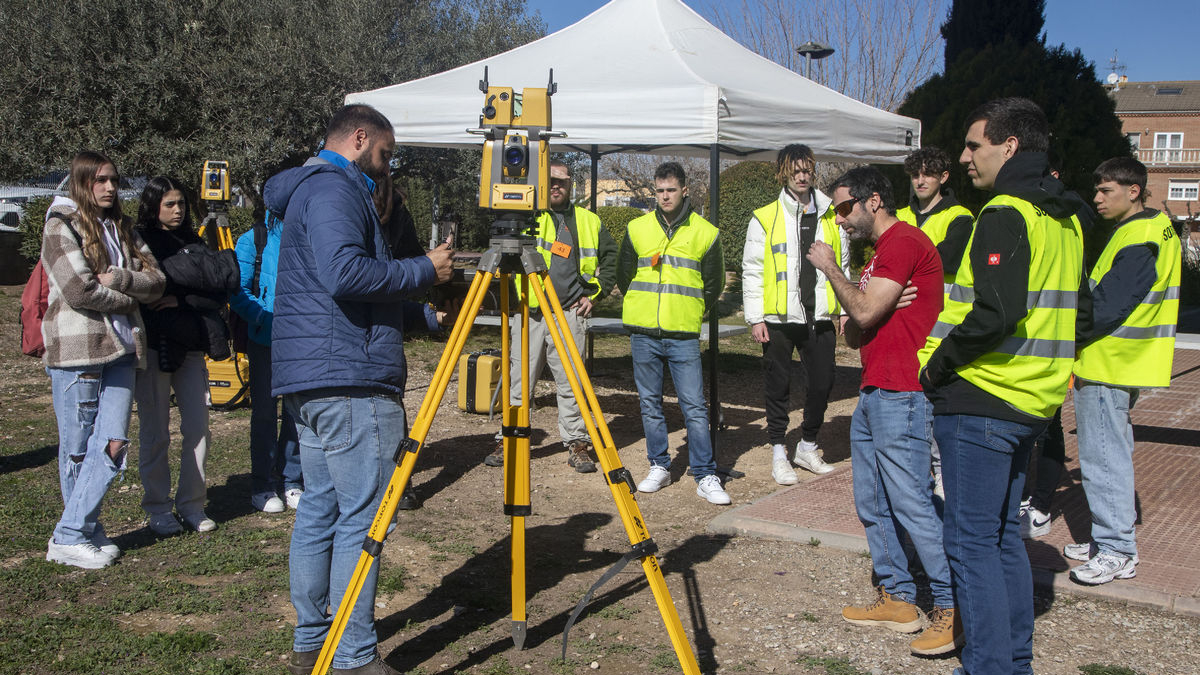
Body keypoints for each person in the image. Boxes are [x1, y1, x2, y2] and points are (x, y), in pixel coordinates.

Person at [267, 104, 453, 675]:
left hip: (319, 375)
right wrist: (424, 268)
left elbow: (341, 282)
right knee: (362, 520)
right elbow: (344, 274)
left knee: (321, 509)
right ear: (360, 137)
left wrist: (414, 304)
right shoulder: (334, 190)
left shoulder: (313, 188)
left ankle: (313, 641)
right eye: (386, 154)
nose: (386, 165)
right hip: (348, 380)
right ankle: (351, 657)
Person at [918, 97, 1088, 675]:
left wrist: (937, 366)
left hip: (983, 399)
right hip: (1030, 402)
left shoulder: (1006, 212)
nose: (965, 157)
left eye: (973, 145)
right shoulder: (1064, 217)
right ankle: (1012, 662)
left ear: (1009, 146)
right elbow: (1079, 313)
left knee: (971, 545)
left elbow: (994, 312)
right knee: (1000, 538)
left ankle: (991, 666)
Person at [807, 166, 961, 656]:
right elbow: (853, 332)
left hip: (903, 392)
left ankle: (952, 606)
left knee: (911, 501)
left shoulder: (903, 242)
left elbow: (865, 313)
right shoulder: (878, 259)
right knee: (871, 501)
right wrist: (867, 301)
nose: (840, 218)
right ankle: (897, 597)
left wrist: (833, 271)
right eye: (835, 210)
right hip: (875, 388)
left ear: (874, 201)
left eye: (844, 207)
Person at [41, 151, 165, 568]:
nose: (110, 187)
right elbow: (78, 290)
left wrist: (123, 280)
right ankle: (76, 533)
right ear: (81, 182)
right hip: (79, 350)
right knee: (78, 448)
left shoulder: (123, 228)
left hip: (124, 348)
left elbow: (158, 281)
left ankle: (78, 530)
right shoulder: (60, 226)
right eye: (100, 180)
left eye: (113, 179)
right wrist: (130, 298)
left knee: (112, 443)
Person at [1065, 156, 1181, 585]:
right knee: (1113, 450)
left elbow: (1107, 308)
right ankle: (1106, 537)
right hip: (1124, 360)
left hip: (1108, 362)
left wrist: (1066, 335)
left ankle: (1116, 549)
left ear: (1133, 191)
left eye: (1105, 191)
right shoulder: (1157, 226)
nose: (1097, 199)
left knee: (1103, 457)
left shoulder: (1138, 236)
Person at [483, 159, 617, 473]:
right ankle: (511, 439)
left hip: (568, 312)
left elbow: (611, 258)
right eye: (551, 180)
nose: (556, 186)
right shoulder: (526, 215)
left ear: (572, 185)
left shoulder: (588, 220)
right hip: (529, 312)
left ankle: (577, 443)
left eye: (562, 181)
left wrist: (595, 293)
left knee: (572, 383)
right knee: (520, 381)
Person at [616, 161, 729, 505]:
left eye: (671, 190)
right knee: (649, 404)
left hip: (682, 334)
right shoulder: (637, 229)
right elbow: (624, 276)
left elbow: (715, 283)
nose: (665, 196)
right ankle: (659, 465)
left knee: (694, 406)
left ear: (684, 191)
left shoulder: (705, 233)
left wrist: (692, 310)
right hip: (644, 333)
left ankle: (705, 473)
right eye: (660, 190)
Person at [135, 176, 238, 535]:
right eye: (169, 204)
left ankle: (192, 504)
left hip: (192, 346)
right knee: (156, 432)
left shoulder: (196, 240)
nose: (177, 211)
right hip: (155, 346)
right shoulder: (139, 242)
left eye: (181, 203)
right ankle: (158, 508)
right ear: (153, 206)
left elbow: (221, 291)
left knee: (198, 428)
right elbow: (144, 292)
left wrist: (182, 299)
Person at [741, 144, 846, 484]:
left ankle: (808, 445)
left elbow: (841, 263)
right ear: (783, 172)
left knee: (823, 381)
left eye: (807, 169)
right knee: (778, 386)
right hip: (779, 319)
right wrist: (756, 317)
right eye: (795, 170)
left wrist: (844, 308)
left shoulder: (831, 213)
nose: (802, 176)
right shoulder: (764, 216)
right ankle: (778, 452)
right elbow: (752, 270)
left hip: (818, 316)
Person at [895, 147, 974, 500]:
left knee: (936, 402)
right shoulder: (899, 215)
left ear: (944, 177)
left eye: (928, 174)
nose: (920, 180)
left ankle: (943, 481)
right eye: (915, 174)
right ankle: (917, 477)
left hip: (940, 324)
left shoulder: (961, 217)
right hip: (902, 323)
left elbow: (944, 259)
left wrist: (902, 264)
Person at [230, 210, 303, 514]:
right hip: (265, 341)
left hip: (300, 341)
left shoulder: (307, 236)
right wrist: (263, 318)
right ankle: (262, 484)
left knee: (296, 411)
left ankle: (292, 480)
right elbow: (238, 290)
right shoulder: (252, 241)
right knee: (264, 413)